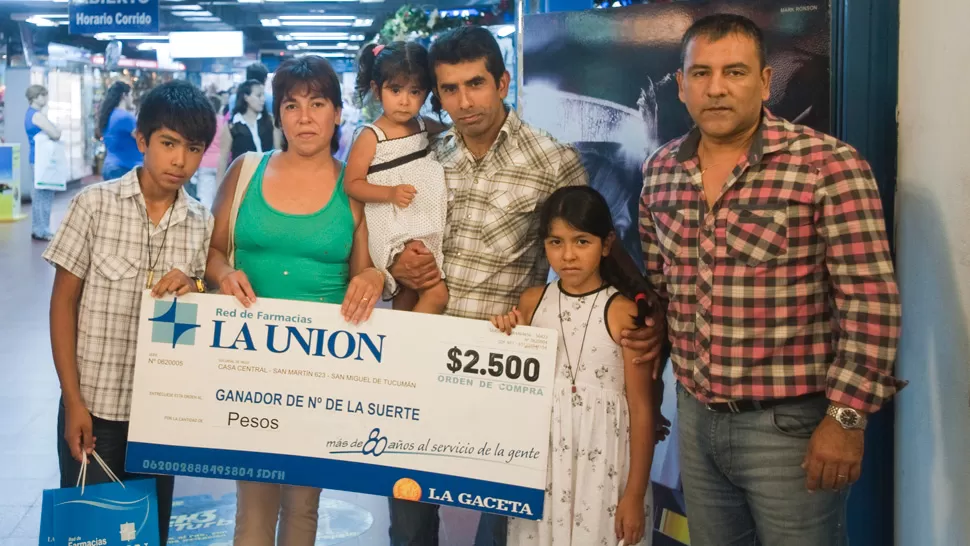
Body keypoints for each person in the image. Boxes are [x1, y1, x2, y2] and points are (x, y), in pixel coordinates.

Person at [386, 25, 667, 546]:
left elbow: (594, 242)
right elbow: (389, 234)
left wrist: (650, 315)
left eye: (475, 84)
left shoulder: (551, 161)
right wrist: (393, 266)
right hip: (423, 354)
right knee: (409, 510)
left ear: (503, 82)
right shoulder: (425, 158)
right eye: (449, 89)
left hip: (503, 368)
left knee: (501, 521)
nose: (463, 101)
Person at [639, 14, 903, 546]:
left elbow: (870, 303)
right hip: (695, 418)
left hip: (791, 427)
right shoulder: (661, 170)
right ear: (682, 83)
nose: (716, 89)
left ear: (764, 82)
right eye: (702, 73)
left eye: (734, 72)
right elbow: (663, 287)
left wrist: (846, 421)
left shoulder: (828, 166)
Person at [205, 55, 385, 546]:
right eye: (292, 105)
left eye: (318, 103)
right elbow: (213, 251)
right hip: (248, 365)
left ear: (337, 111)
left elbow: (366, 270)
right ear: (278, 115)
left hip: (319, 372)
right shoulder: (246, 172)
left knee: (304, 508)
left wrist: (371, 278)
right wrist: (223, 274)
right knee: (254, 508)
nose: (305, 117)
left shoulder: (355, 189)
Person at [43, 80, 218, 546]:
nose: (180, 160)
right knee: (91, 529)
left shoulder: (202, 222)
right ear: (141, 141)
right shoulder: (93, 206)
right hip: (95, 408)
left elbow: (204, 294)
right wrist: (73, 400)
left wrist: (197, 282)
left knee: (146, 530)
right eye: (168, 144)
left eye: (194, 148)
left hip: (161, 415)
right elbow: (62, 303)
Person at [492, 186, 657, 546]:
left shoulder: (623, 312)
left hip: (604, 468)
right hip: (543, 463)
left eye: (581, 241)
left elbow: (642, 409)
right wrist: (506, 335)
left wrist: (634, 494)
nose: (568, 255)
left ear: (606, 243)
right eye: (556, 242)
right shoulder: (532, 302)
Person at [345, 41, 449, 314]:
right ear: (377, 91)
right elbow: (352, 183)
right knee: (436, 293)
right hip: (393, 225)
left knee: (409, 293)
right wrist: (389, 193)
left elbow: (454, 130)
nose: (405, 100)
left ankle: (401, 342)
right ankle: (408, 351)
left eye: (414, 91)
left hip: (420, 219)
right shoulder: (371, 135)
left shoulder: (424, 125)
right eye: (395, 90)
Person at [218, 79, 277, 182]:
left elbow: (278, 150)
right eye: (258, 96)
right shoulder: (232, 125)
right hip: (242, 179)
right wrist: (219, 188)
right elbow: (223, 158)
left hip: (269, 177)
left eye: (263, 95)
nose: (263, 99)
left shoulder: (270, 121)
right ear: (246, 97)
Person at [24, 84, 62, 241]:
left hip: (36, 159)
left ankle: (38, 228)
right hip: (42, 160)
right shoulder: (37, 116)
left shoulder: (30, 114)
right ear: (36, 97)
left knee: (40, 195)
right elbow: (55, 133)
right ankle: (43, 230)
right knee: (44, 195)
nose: (46, 98)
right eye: (43, 95)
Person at [99, 81, 144, 181]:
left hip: (111, 166)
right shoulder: (125, 117)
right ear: (124, 95)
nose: (132, 98)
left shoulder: (110, 115)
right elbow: (142, 139)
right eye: (131, 95)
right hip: (124, 168)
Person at [191, 94, 223, 208]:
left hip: (204, 163)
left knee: (205, 200)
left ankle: (206, 223)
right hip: (221, 164)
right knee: (220, 198)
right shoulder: (224, 122)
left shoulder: (202, 123)